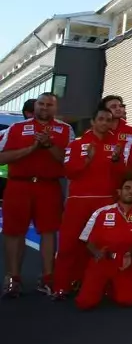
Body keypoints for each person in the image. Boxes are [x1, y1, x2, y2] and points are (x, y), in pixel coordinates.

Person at [0, 92, 73, 297]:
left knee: (49, 232)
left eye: (49, 105)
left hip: (48, 186)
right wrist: (31, 149)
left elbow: (69, 161)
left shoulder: (65, 130)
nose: (44, 108)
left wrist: (49, 145)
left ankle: (47, 278)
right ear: (35, 106)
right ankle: (13, 278)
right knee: (14, 232)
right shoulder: (16, 128)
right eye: (41, 104)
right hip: (18, 186)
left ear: (55, 108)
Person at [53, 107, 127, 299]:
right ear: (93, 122)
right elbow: (69, 172)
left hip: (105, 202)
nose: (105, 123)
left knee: (104, 245)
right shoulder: (77, 144)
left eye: (108, 120)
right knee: (69, 244)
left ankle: (96, 284)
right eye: (101, 119)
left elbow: (122, 176)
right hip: (79, 202)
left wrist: (118, 160)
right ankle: (61, 285)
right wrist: (86, 161)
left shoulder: (116, 145)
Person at [75, 177, 132, 310]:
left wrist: (129, 254)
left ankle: (111, 287)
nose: (131, 192)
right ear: (119, 192)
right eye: (127, 188)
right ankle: (101, 285)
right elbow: (85, 238)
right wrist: (97, 253)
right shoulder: (102, 212)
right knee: (85, 303)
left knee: (128, 301)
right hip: (102, 260)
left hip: (125, 262)